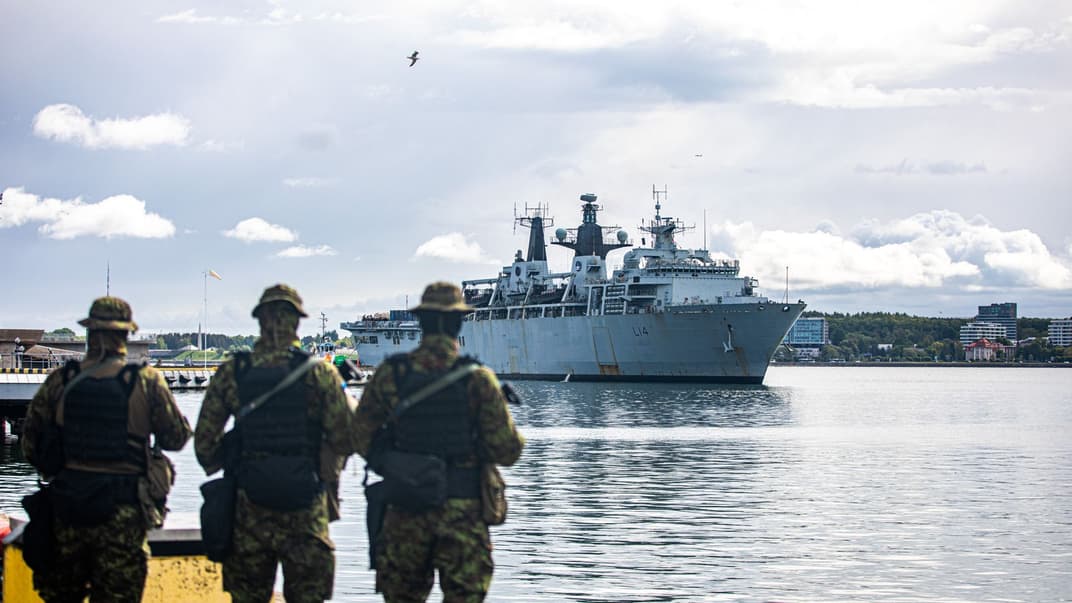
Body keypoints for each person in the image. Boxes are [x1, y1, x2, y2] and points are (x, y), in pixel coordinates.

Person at [354, 281, 525, 602]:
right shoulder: (478, 378)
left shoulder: (392, 374)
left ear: (421, 322)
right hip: (463, 512)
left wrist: (396, 465)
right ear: (459, 323)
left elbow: (359, 436)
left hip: (405, 507)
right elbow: (509, 451)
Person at [20, 296, 192, 602]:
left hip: (67, 510)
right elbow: (175, 439)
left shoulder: (60, 381)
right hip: (122, 513)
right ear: (126, 335)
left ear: (90, 334)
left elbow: (31, 445)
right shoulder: (146, 382)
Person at [194, 284, 355, 603]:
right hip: (306, 506)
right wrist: (323, 470)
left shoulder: (233, 372)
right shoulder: (320, 374)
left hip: (247, 507)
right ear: (297, 321)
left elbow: (204, 447)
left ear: (260, 320)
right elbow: (346, 438)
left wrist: (234, 458)